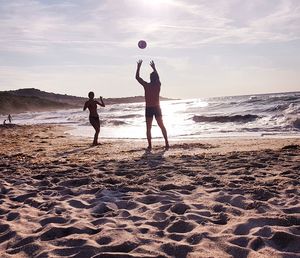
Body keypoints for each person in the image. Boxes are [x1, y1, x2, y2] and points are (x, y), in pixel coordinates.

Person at [135, 60, 169, 150]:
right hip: (156, 107)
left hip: (150, 108)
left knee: (149, 127)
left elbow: (137, 77)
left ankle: (150, 145)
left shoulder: (147, 85)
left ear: (150, 78)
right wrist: (154, 68)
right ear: (156, 78)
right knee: (161, 125)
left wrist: (138, 67)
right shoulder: (158, 85)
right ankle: (166, 142)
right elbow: (157, 77)